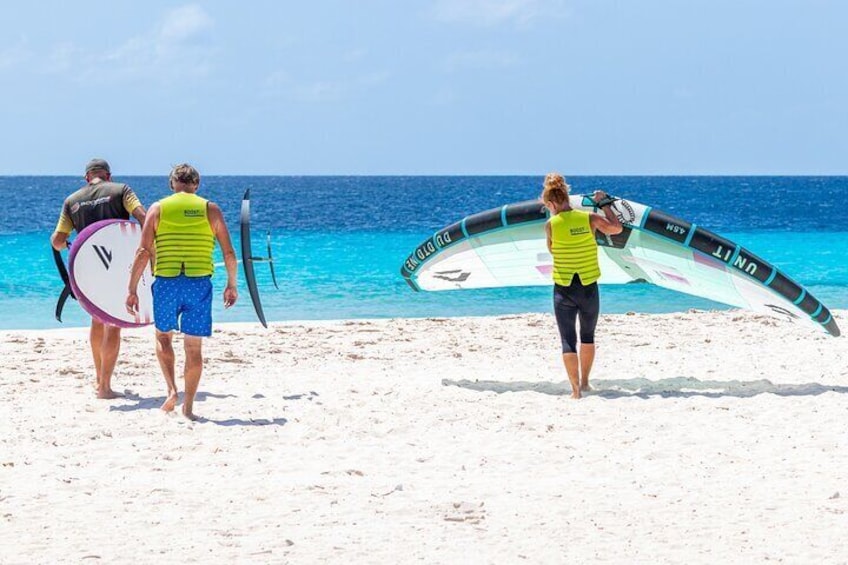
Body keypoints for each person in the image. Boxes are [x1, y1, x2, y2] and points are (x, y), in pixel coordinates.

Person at [126, 163, 238, 420]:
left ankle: (172, 390)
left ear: (172, 184)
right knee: (193, 348)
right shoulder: (210, 209)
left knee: (163, 337)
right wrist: (232, 284)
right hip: (199, 283)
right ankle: (188, 408)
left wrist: (131, 288)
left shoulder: (158, 208)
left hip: (166, 282)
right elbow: (229, 253)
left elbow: (143, 252)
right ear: (196, 185)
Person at [50, 158, 147, 399]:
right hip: (117, 266)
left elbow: (57, 241)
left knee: (97, 320)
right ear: (108, 175)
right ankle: (105, 387)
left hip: (88, 270)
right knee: (113, 325)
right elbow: (143, 217)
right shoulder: (121, 190)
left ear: (87, 178)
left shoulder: (71, 201)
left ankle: (98, 379)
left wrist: (73, 243)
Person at [541, 173, 622, 399]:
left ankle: (575, 391)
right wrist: (604, 204)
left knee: (567, 340)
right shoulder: (589, 218)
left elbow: (552, 250)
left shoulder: (550, 225)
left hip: (563, 290)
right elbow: (616, 229)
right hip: (588, 288)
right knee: (587, 336)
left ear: (551, 203)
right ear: (567, 197)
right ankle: (585, 381)